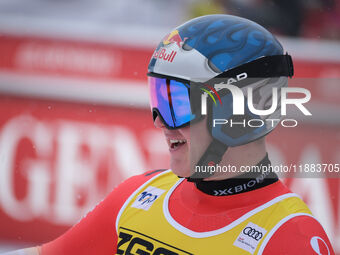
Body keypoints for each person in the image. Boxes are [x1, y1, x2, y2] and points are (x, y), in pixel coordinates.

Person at [4, 14, 335, 255]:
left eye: (176, 102)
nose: (161, 122)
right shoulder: (138, 196)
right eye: (157, 99)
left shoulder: (290, 236)